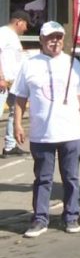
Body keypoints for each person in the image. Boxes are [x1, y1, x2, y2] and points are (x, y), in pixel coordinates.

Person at [12, 21, 80, 237]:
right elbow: (20, 97)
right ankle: (40, 219)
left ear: (64, 39)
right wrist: (17, 124)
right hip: (41, 133)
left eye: (58, 37)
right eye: (50, 37)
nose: (54, 41)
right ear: (41, 40)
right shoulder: (29, 64)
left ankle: (72, 216)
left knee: (71, 177)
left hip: (71, 132)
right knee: (43, 179)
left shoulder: (72, 63)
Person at [1, 10, 30, 157]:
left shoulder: (13, 37)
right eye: (25, 25)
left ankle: (10, 146)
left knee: (15, 111)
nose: (26, 29)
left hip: (13, 82)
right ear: (19, 22)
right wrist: (0, 77)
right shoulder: (4, 33)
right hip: (3, 81)